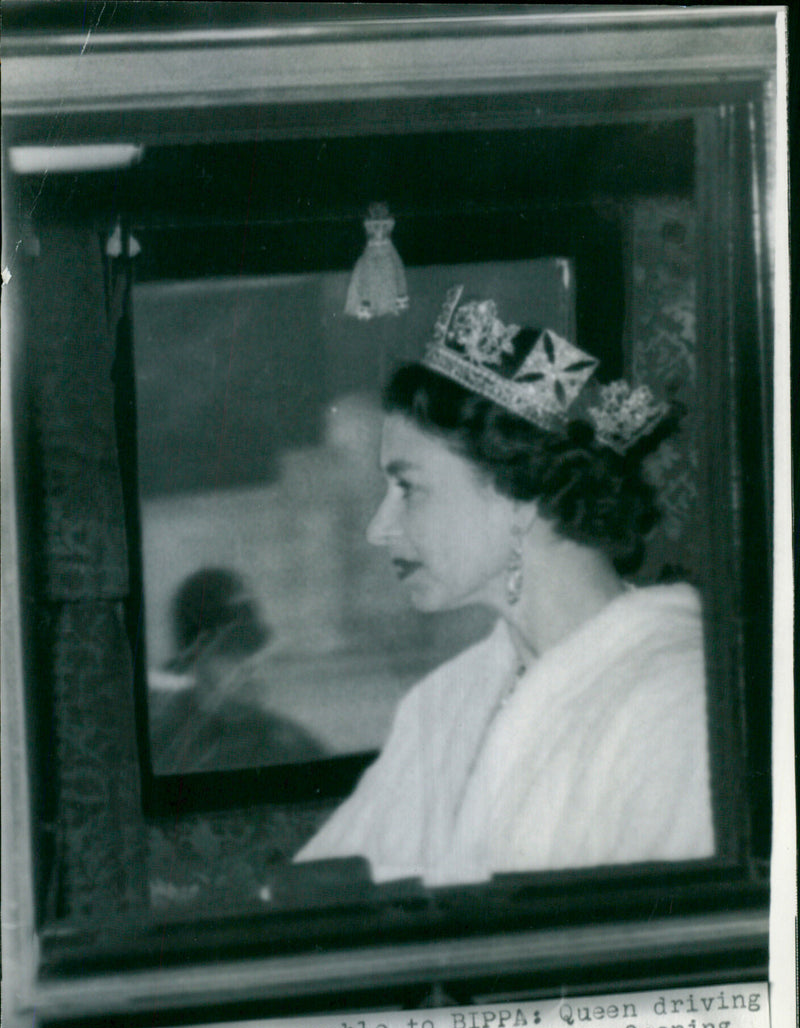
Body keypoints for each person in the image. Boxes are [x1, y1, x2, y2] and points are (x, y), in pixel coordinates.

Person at [295, 286, 714, 885]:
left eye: (407, 488)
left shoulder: (681, 705)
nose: (377, 528)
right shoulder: (444, 703)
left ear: (520, 498)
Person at [148, 568, 326, 773]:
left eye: (252, 646)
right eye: (229, 650)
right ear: (193, 660)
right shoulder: (164, 749)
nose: (248, 665)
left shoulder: (294, 746)